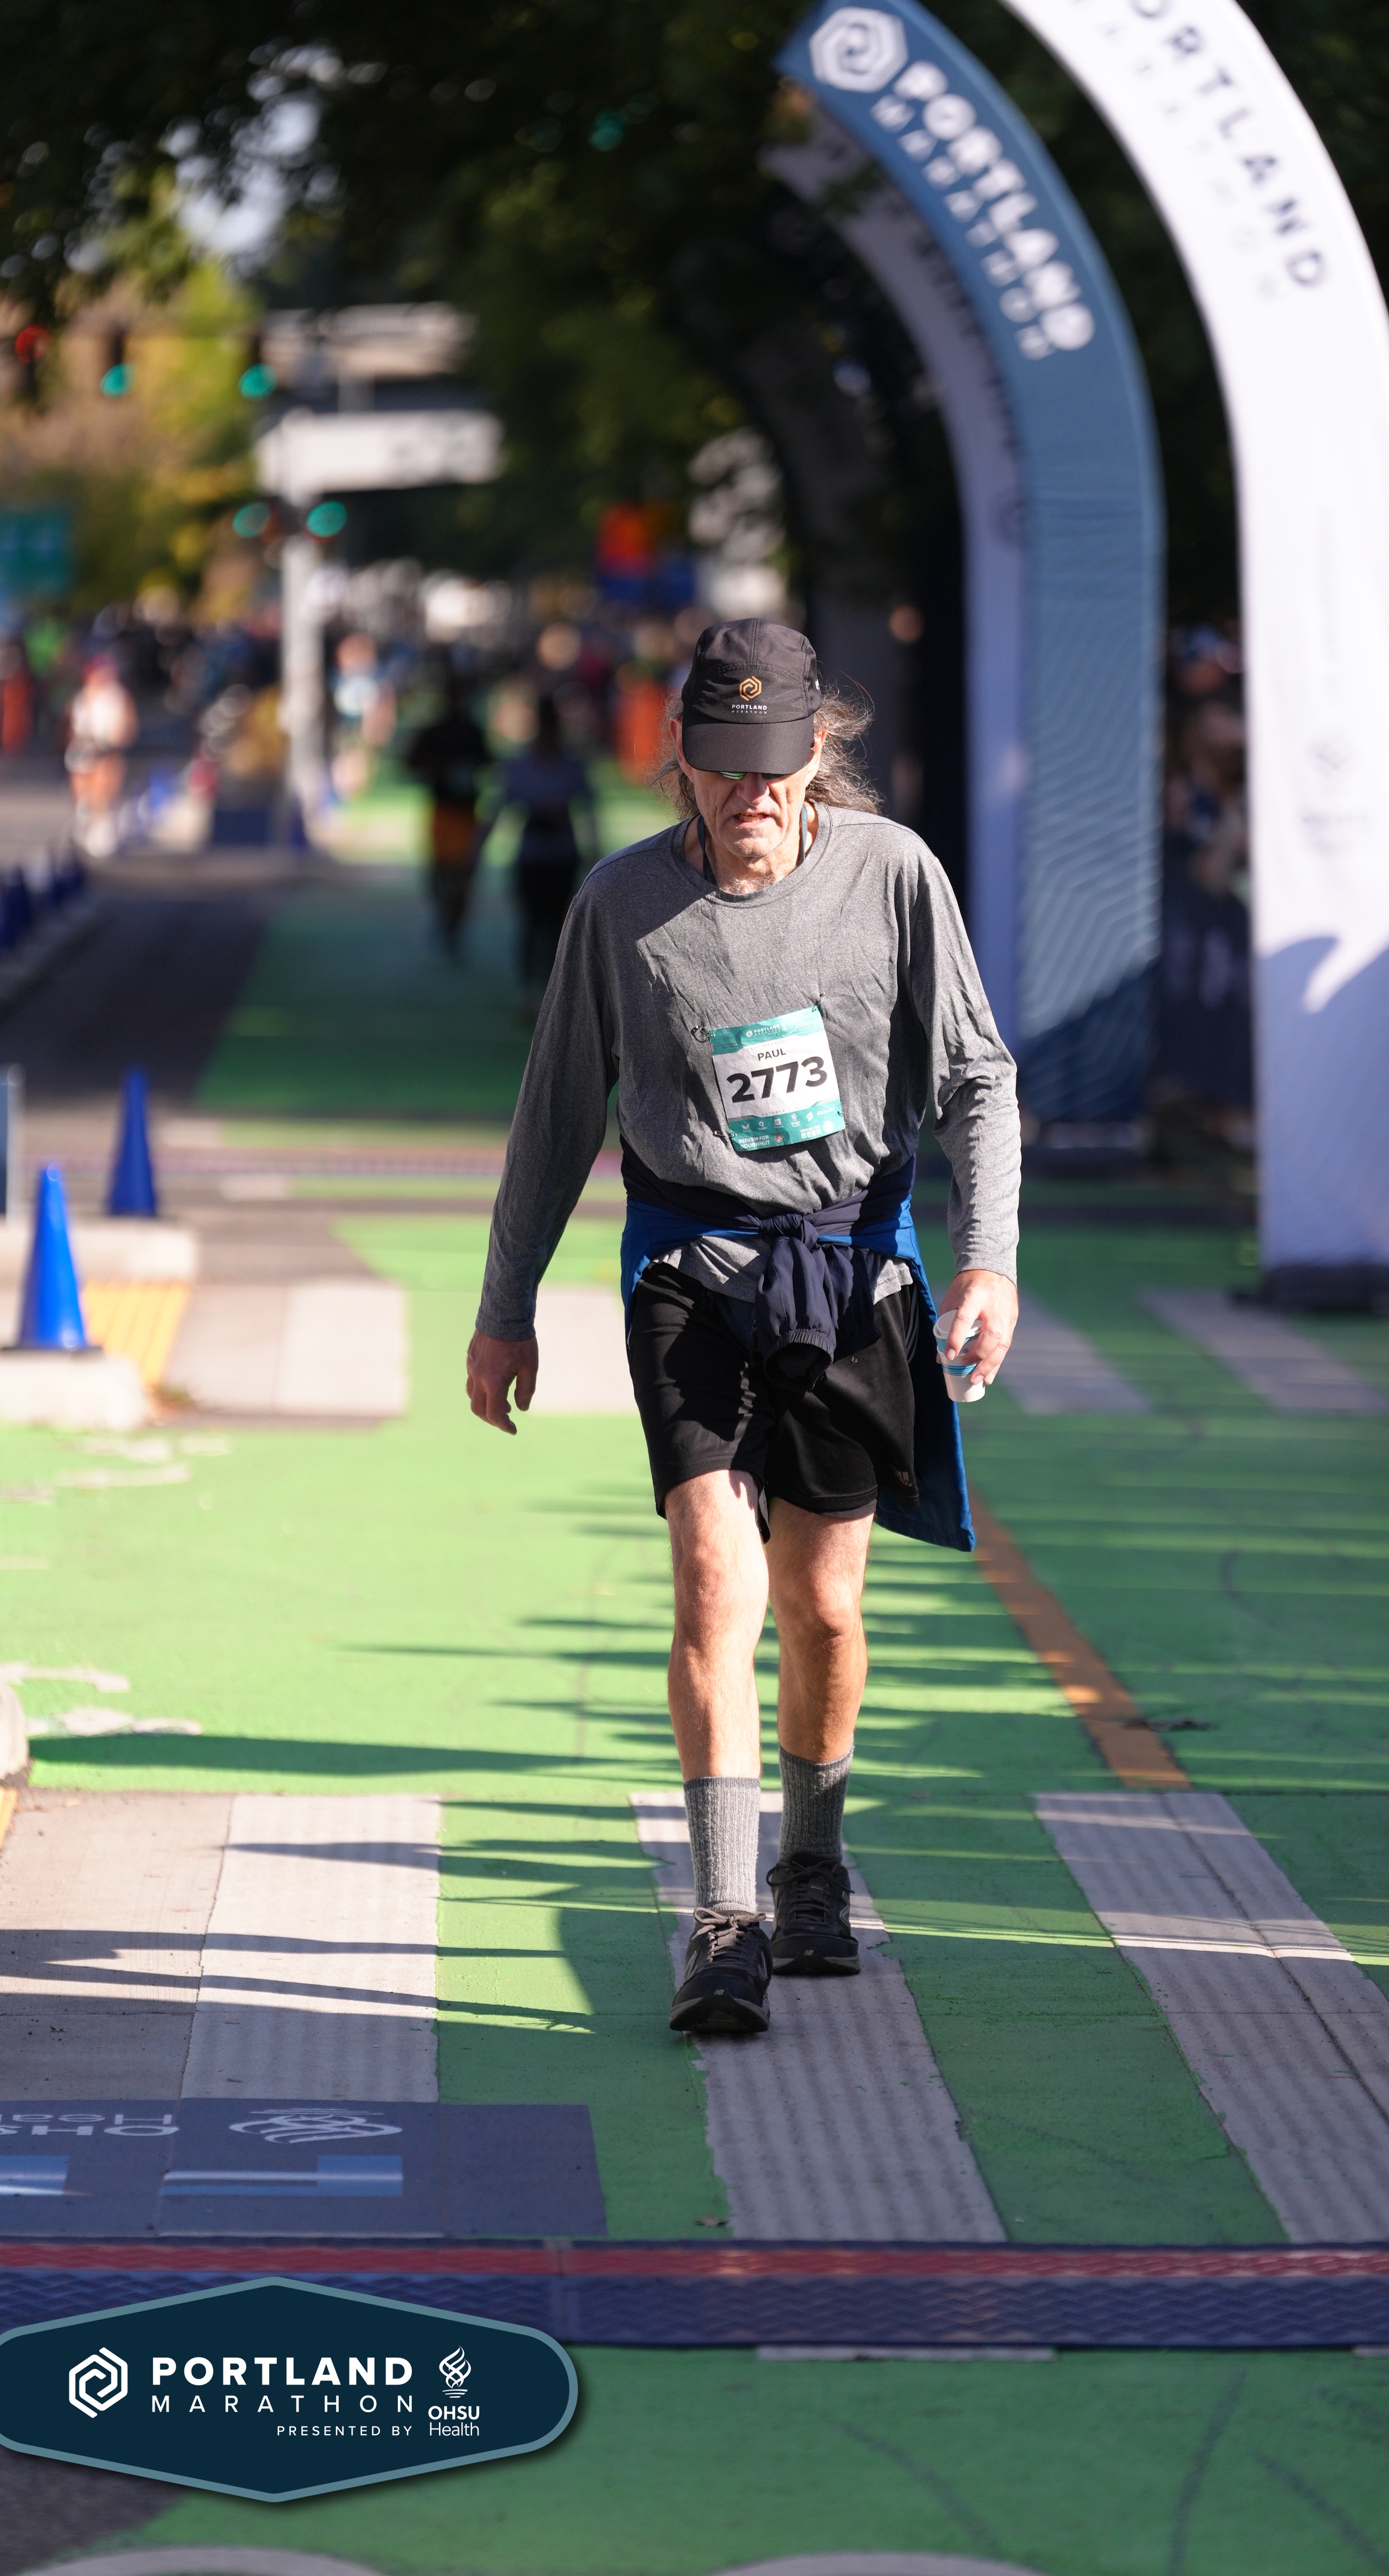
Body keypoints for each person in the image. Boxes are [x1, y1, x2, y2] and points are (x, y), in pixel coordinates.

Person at [466, 619, 1020, 2037]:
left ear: (818, 753)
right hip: (690, 1268)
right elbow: (555, 1117)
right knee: (717, 1582)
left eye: (775, 766)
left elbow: (976, 1077)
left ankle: (812, 1863)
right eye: (723, 766)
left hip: (853, 1267)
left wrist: (989, 1263)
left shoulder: (894, 876)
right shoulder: (620, 906)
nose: (749, 795)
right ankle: (723, 1915)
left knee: (823, 1606)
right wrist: (505, 1308)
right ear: (681, 760)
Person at [501, 696, 593, 996]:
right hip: (533, 856)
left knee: (558, 925)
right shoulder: (522, 766)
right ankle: (530, 986)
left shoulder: (571, 766)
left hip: (561, 856)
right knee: (531, 922)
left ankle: (552, 987)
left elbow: (588, 811)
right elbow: (502, 808)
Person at [405, 676, 493, 954]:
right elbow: (410, 761)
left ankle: (454, 924)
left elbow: (489, 763)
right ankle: (447, 918)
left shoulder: (472, 732)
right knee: (442, 873)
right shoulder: (436, 732)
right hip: (444, 812)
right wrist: (437, 768)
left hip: (466, 813)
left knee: (463, 874)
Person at [64, 654, 137, 859]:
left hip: (106, 749)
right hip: (84, 748)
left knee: (104, 793)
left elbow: (125, 727)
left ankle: (101, 833)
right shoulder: (81, 696)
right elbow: (72, 724)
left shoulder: (117, 696)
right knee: (83, 793)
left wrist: (113, 741)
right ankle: (85, 827)